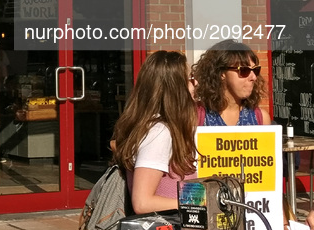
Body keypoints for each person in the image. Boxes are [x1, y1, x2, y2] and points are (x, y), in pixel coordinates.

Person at [111, 50, 197, 214]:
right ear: (176, 89)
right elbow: (142, 202)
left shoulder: (158, 128)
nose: (195, 84)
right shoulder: (158, 133)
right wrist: (196, 205)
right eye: (190, 79)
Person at [192, 41, 271, 127]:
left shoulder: (260, 118)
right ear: (222, 73)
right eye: (244, 70)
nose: (253, 77)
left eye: (255, 70)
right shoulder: (196, 116)